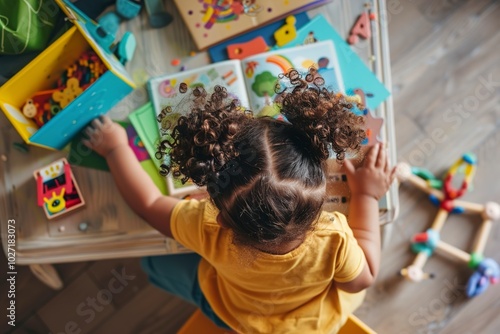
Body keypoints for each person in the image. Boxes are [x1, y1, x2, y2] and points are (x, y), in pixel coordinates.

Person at [83, 68, 395, 334]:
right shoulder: (334, 237)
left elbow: (149, 205)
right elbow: (361, 279)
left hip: (237, 316)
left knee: (153, 262)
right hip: (311, 324)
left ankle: (153, 270)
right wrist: (366, 195)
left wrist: (115, 150)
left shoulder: (206, 227)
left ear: (220, 217)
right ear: (320, 195)